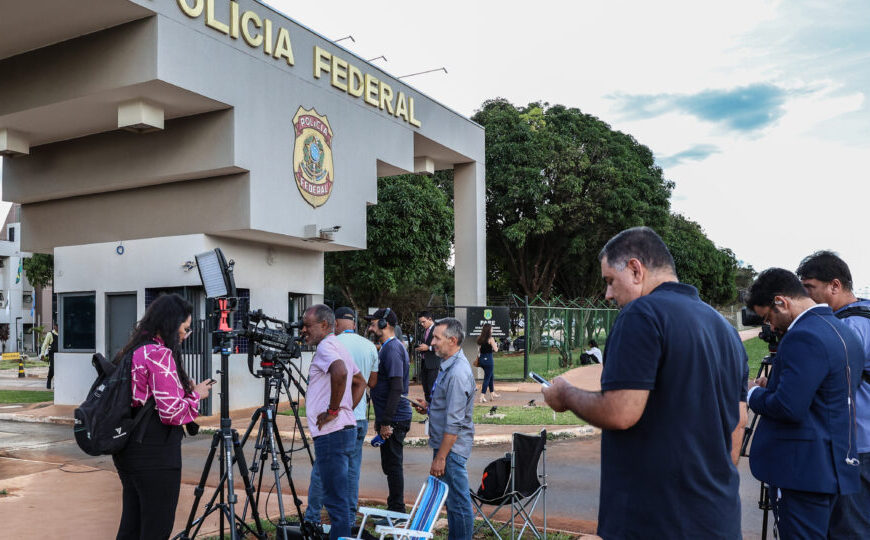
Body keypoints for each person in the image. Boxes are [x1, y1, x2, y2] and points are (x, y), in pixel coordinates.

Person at [541, 226, 748, 539]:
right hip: (717, 516)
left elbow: (620, 412)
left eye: (610, 280)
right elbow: (738, 423)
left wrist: (565, 394)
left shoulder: (642, 313)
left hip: (655, 519)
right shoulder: (723, 328)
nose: (608, 294)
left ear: (636, 269)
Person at [746, 267, 863, 538]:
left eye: (768, 317)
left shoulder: (802, 335)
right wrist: (776, 385)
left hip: (801, 472)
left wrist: (752, 393)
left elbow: (789, 407)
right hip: (834, 467)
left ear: (781, 302)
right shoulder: (842, 329)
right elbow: (825, 394)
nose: (772, 327)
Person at [113, 293, 212, 540]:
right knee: (156, 528)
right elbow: (171, 413)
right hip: (155, 452)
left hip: (129, 449)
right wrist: (196, 395)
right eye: (185, 328)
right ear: (170, 323)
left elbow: (145, 396)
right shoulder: (160, 354)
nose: (186, 335)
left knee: (132, 526)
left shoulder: (134, 349)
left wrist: (180, 388)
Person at [796, 251, 870, 538]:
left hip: (856, 442)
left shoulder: (842, 328)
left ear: (835, 285)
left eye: (810, 288)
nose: (806, 296)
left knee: (849, 527)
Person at [305, 306, 377, 528]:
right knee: (340, 500)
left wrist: (334, 411)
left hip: (333, 433)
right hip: (344, 430)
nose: (303, 331)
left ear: (325, 325)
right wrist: (345, 408)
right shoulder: (337, 345)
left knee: (335, 503)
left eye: (308, 326)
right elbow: (360, 381)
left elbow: (341, 372)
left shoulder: (327, 346)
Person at [411, 317, 475, 540]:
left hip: (451, 450)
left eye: (437, 338)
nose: (433, 342)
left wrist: (441, 457)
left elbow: (455, 422)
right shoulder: (448, 365)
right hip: (447, 448)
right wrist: (430, 407)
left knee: (459, 505)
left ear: (453, 340)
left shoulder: (458, 372)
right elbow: (449, 406)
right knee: (453, 504)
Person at [365, 307, 413, 514]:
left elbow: (396, 387)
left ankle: (397, 511)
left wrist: (386, 422)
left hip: (394, 418)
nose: (370, 326)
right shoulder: (387, 347)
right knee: (390, 466)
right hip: (391, 415)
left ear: (385, 324)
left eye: (373, 323)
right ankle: (395, 507)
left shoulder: (392, 349)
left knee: (393, 467)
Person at [414, 311, 439, 404]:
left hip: (433, 364)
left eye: (423, 322)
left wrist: (428, 348)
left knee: (432, 389)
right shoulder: (424, 330)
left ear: (430, 319)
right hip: (424, 363)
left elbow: (441, 345)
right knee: (426, 389)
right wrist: (419, 347)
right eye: (420, 322)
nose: (422, 324)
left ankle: (433, 414)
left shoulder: (437, 329)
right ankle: (429, 414)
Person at [476, 323, 499, 403]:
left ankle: (492, 393)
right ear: (489, 330)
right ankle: (482, 396)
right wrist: (496, 345)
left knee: (490, 375)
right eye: (491, 329)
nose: (492, 330)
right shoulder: (491, 339)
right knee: (487, 378)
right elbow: (496, 350)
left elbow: (479, 350)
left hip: (482, 360)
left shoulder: (480, 338)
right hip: (488, 360)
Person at [41, 323, 58, 389]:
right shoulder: (50, 334)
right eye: (57, 326)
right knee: (53, 368)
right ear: (55, 326)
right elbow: (45, 344)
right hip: (52, 354)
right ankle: (49, 380)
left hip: (60, 355)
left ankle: (55, 384)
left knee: (56, 369)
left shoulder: (62, 333)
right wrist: (42, 354)